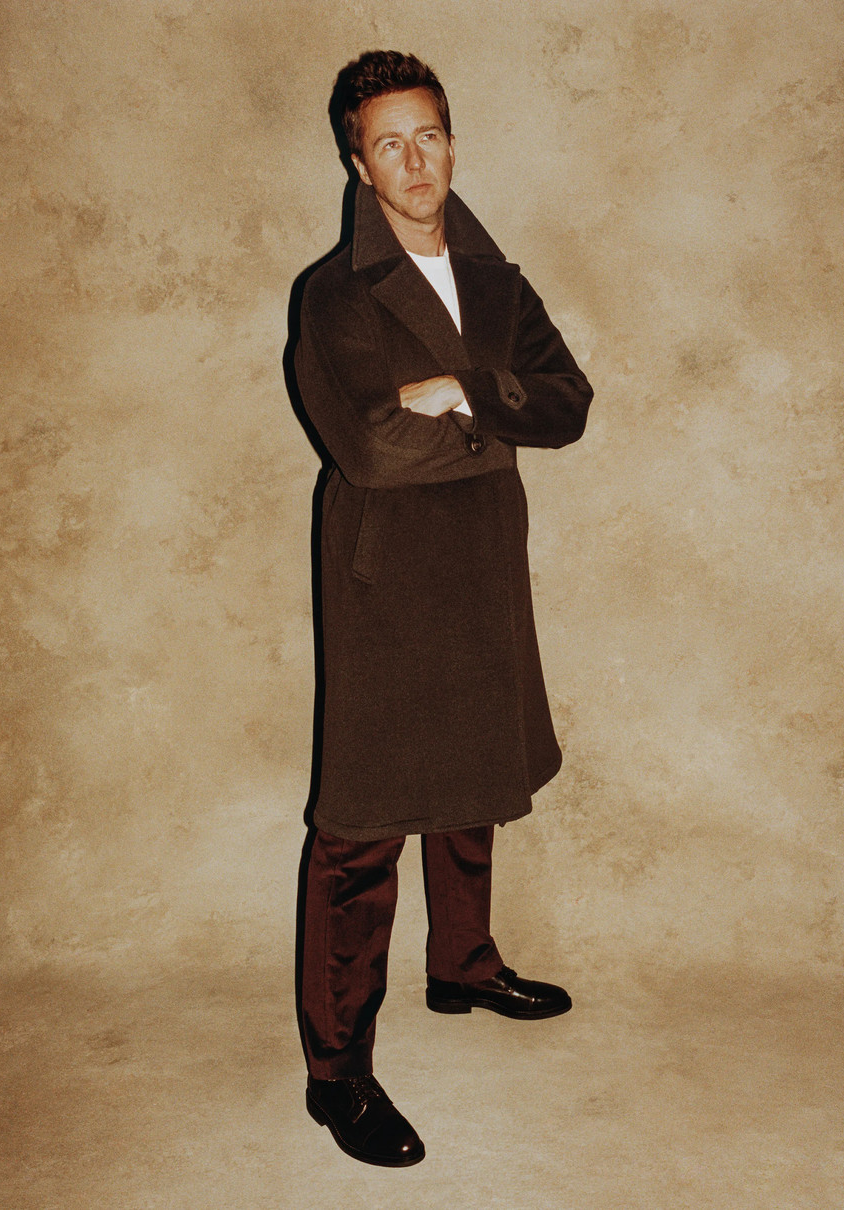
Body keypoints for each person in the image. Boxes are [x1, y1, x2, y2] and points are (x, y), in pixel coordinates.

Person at [289, 50, 593, 1167]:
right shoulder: (334, 293)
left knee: (471, 779)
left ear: (453, 143)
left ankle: (462, 964)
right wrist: (495, 422)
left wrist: (463, 390)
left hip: (482, 564)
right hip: (385, 577)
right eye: (388, 144)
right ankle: (337, 1071)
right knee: (362, 826)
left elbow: (569, 403)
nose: (413, 162)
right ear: (357, 164)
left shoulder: (497, 279)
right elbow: (370, 447)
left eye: (428, 136)